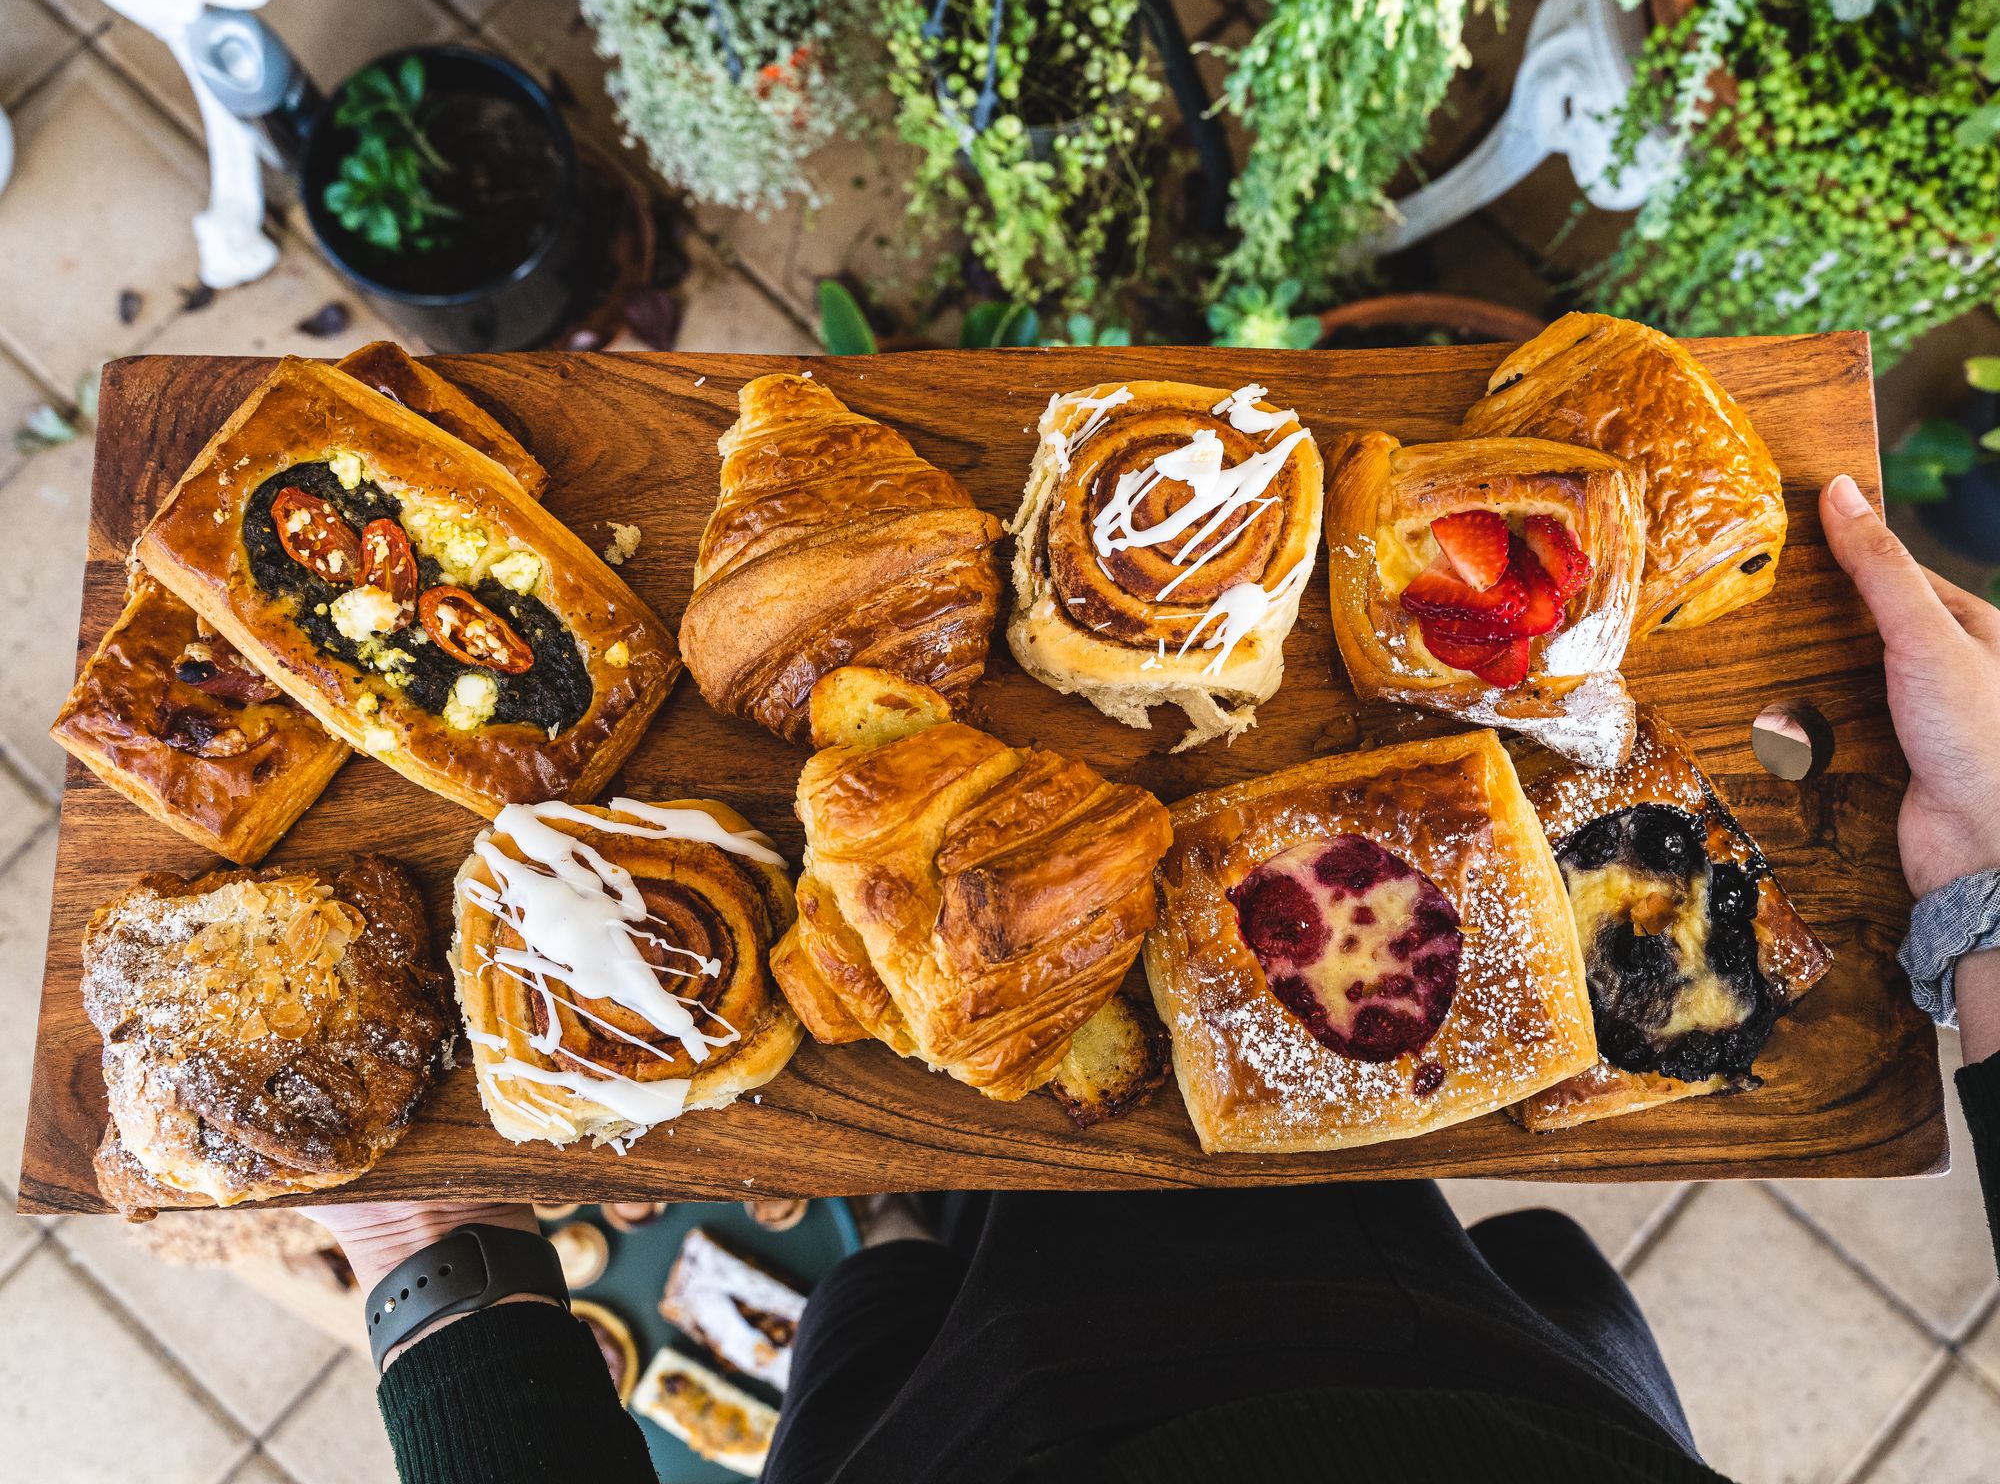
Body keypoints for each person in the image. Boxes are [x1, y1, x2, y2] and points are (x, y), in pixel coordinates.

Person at [313, 476, 2000, 1484]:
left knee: (875, 1308)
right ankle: (927, 1230)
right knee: (1459, 1230)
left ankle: (916, 1237)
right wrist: (1989, 896)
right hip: (1487, 1396)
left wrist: (445, 1297)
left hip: (955, 1444)